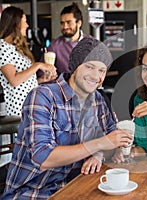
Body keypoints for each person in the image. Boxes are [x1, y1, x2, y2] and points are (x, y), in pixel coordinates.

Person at [1, 37, 133, 199]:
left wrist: (100, 153)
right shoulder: (42, 96)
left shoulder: (97, 100)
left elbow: (112, 140)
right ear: (75, 67)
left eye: (101, 70)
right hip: (33, 192)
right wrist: (100, 143)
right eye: (90, 67)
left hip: (76, 187)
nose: (95, 76)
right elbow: (43, 158)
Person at [0, 6, 57, 116]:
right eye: (25, 21)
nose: (27, 25)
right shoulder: (2, 47)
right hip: (16, 110)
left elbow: (24, 81)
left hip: (29, 106)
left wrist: (40, 80)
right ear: (16, 24)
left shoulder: (16, 48)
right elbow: (14, 81)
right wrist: (38, 65)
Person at [40, 3, 91, 77]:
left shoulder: (91, 43)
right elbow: (43, 74)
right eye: (62, 23)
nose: (65, 26)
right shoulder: (55, 46)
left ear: (79, 23)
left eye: (68, 22)